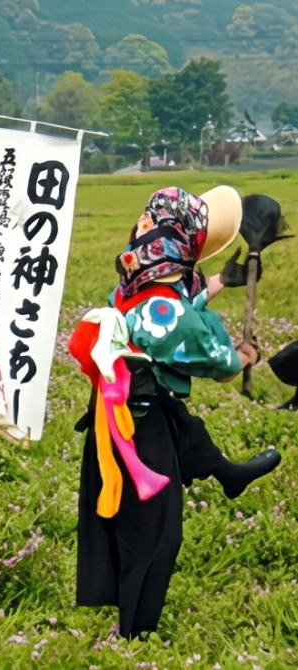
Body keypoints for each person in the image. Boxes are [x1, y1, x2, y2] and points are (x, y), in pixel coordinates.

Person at [72, 186, 281, 639]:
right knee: (153, 533)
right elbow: (213, 359)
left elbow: (175, 306)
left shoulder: (136, 278)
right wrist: (242, 358)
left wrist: (219, 284)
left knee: (185, 437)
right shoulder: (161, 303)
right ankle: (135, 633)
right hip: (136, 427)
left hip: (132, 412)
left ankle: (226, 472)